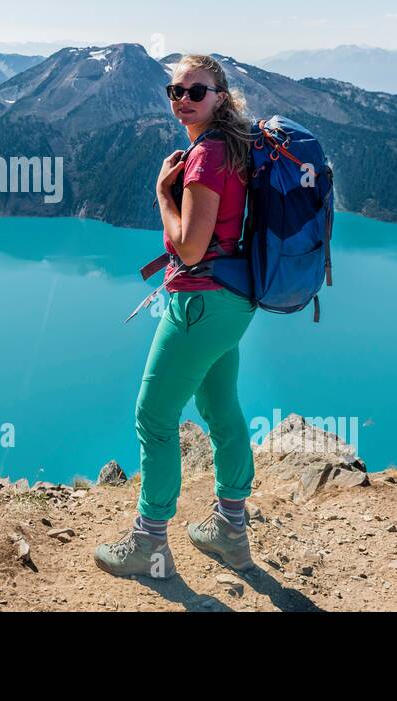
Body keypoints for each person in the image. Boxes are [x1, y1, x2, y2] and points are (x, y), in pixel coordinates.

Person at [94, 54, 257, 580]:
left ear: (221, 97)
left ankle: (149, 545)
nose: (182, 100)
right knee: (219, 408)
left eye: (196, 91)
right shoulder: (235, 146)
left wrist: (162, 193)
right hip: (234, 302)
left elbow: (188, 249)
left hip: (199, 303)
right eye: (174, 91)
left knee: (154, 417)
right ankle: (232, 531)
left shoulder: (207, 156)